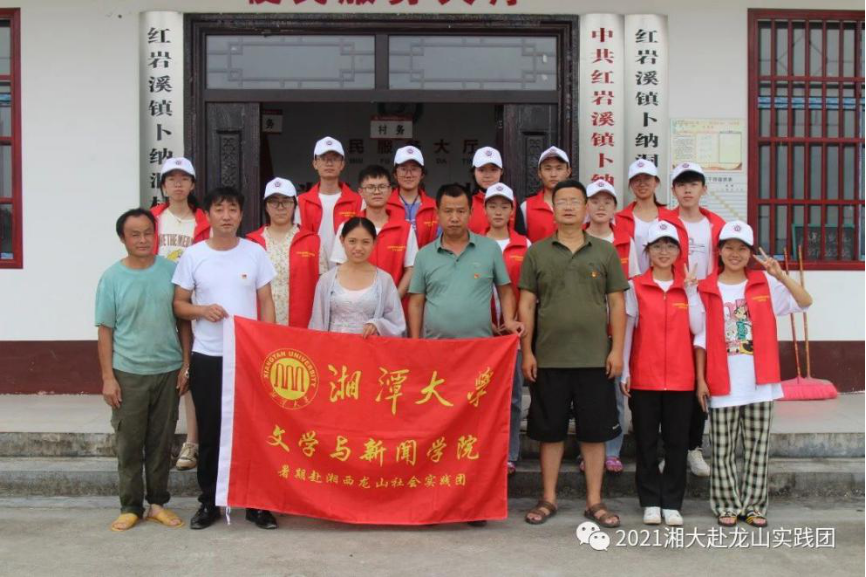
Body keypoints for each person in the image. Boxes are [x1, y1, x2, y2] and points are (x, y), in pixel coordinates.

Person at [408, 183, 524, 527]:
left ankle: (473, 504)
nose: (455, 217)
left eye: (461, 211)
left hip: (479, 357)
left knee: (474, 434)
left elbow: (506, 291)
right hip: (437, 357)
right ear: (437, 213)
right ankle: (433, 501)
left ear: (471, 213)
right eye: (448, 211)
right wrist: (415, 343)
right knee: (436, 431)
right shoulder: (425, 255)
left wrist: (508, 322)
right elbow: (416, 302)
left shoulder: (488, 249)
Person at [519, 179, 628, 528]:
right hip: (549, 358)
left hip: (595, 359)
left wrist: (617, 351)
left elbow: (617, 303)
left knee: (594, 434)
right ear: (552, 208)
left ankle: (594, 501)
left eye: (574, 201)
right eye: (561, 201)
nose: (568, 207)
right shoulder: (537, 252)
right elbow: (526, 304)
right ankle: (548, 498)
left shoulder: (605, 251)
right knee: (550, 433)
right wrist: (527, 352)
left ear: (585, 208)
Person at [172, 187, 279, 531]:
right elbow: (179, 304)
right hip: (209, 356)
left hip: (248, 357)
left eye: (233, 209)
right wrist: (202, 310)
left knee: (254, 430)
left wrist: (268, 346)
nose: (227, 216)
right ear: (207, 215)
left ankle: (257, 503)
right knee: (211, 430)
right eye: (219, 209)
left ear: (241, 215)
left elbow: (266, 301)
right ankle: (210, 501)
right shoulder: (194, 255)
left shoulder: (254, 252)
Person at [694, 221, 812, 528]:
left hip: (761, 383)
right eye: (729, 247)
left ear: (750, 253)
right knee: (722, 450)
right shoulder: (706, 287)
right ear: (719, 251)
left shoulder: (765, 283)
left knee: (758, 449)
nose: (735, 254)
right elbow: (700, 338)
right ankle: (726, 504)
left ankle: (755, 506)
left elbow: (805, 301)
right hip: (722, 381)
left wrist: (780, 275)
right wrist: (701, 380)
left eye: (742, 248)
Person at [96, 208, 191, 532]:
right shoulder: (112, 278)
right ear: (122, 238)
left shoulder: (172, 271)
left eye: (148, 233)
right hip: (129, 372)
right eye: (134, 234)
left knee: (161, 443)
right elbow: (105, 330)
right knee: (129, 443)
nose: (142, 240)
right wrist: (108, 377)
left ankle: (158, 504)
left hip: (168, 371)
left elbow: (183, 322)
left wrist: (186, 365)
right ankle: (130, 506)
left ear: (156, 235)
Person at [620, 222, 703, 527]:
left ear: (679, 252)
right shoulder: (635, 286)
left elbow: (698, 328)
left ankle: (672, 502)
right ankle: (650, 501)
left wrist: (691, 292)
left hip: (681, 379)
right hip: (645, 377)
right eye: (657, 246)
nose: (664, 252)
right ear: (648, 252)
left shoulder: (689, 286)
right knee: (645, 443)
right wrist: (625, 370)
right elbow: (628, 330)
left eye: (670, 246)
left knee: (677, 444)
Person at [150, 157, 209, 473]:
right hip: (160, 302)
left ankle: (193, 441)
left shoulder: (205, 220)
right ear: (163, 185)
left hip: (195, 303)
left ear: (192, 184)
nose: (177, 184)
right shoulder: (151, 220)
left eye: (184, 178)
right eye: (171, 179)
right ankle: (155, 440)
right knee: (161, 369)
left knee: (192, 369)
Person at [670, 162, 727, 478]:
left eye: (693, 184)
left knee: (702, 376)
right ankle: (673, 450)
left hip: (708, 305)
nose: (687, 190)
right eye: (681, 184)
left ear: (703, 189)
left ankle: (693, 447)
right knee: (675, 378)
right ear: (674, 190)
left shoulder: (717, 225)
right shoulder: (665, 223)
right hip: (673, 304)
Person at [581, 179, 641, 475]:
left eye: (607, 201)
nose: (601, 206)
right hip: (584, 327)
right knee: (587, 394)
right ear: (586, 207)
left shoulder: (626, 241)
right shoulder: (576, 238)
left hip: (618, 325)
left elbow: (634, 283)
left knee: (615, 390)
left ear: (616, 207)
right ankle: (588, 452)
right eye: (595, 201)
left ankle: (613, 451)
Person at [483, 183, 530, 477]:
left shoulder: (525, 245)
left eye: (504, 206)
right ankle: (482, 451)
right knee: (482, 396)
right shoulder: (475, 243)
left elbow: (529, 291)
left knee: (512, 396)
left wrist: (515, 321)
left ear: (512, 211)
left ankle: (510, 452)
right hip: (481, 333)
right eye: (493, 206)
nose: (498, 212)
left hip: (513, 334)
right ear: (484, 210)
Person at [247, 177, 327, 327]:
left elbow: (323, 288)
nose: (280, 207)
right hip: (261, 325)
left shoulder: (312, 241)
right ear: (265, 206)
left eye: (286, 201)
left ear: (295, 205)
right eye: (274, 201)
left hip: (302, 326)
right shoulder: (252, 242)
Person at [330, 165, 418, 299]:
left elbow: (411, 268)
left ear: (390, 190)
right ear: (360, 192)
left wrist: (394, 299)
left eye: (382, 187)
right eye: (370, 187)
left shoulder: (405, 228)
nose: (377, 192)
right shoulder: (347, 226)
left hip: (394, 305)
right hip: (356, 303)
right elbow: (341, 267)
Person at [310, 217, 406, 337]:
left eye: (365, 242)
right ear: (342, 240)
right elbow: (317, 323)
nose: (359, 248)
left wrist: (378, 325)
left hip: (370, 348)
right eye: (352, 241)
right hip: (334, 347)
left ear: (374, 242)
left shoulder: (385, 280)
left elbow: (397, 325)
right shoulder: (327, 280)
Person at [296, 137, 362, 262]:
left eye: (334, 158)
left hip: (346, 267)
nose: (329, 163)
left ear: (342, 164)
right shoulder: (300, 202)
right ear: (315, 163)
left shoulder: (358, 201)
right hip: (311, 266)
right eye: (323, 158)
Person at [616, 159, 689, 273]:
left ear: (656, 182)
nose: (642, 184)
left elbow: (680, 256)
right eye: (637, 179)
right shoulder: (619, 219)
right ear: (630, 184)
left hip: (663, 281)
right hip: (629, 281)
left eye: (647, 178)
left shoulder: (672, 219)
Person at [387, 146, 439, 247]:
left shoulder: (434, 206)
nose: (408, 175)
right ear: (395, 174)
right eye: (403, 169)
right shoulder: (384, 205)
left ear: (422, 174)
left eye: (414, 169)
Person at [520, 146, 572, 243]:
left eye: (559, 168)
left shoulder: (579, 206)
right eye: (548, 169)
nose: (553, 174)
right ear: (539, 173)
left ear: (568, 171)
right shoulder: (526, 207)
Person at [468, 146, 520, 234]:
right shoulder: (467, 202)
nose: (488, 175)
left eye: (493, 170)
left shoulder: (513, 202)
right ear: (473, 172)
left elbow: (520, 238)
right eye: (482, 170)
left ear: (501, 172)